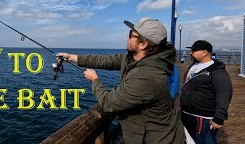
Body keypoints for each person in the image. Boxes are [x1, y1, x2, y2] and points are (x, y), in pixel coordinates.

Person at [57, 17, 185, 143]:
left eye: (131, 35)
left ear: (143, 44)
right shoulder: (133, 58)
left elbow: (109, 103)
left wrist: (94, 80)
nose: (127, 37)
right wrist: (71, 57)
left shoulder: (147, 76)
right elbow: (104, 61)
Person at [180, 40, 233, 144]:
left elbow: (224, 95)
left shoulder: (217, 71)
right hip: (186, 114)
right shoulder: (194, 65)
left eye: (194, 50)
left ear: (204, 52)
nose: (191, 53)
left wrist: (218, 118)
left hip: (202, 118)